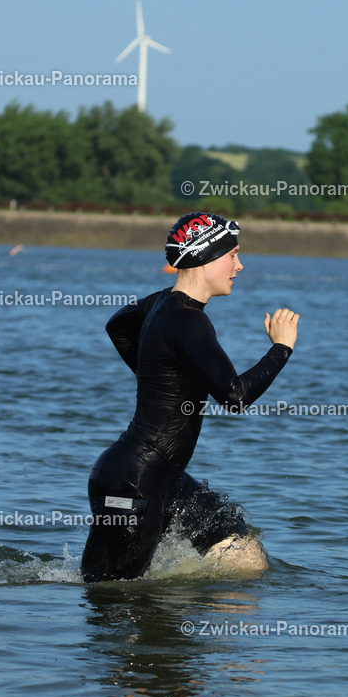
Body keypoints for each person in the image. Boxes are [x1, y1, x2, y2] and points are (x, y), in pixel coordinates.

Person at [80, 212, 299, 583]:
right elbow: (235, 397)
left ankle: (199, 635)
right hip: (133, 485)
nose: (239, 266)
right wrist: (281, 349)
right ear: (205, 257)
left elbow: (117, 324)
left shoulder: (162, 303)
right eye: (232, 256)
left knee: (244, 553)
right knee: (115, 597)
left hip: (161, 479)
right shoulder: (187, 319)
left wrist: (163, 375)